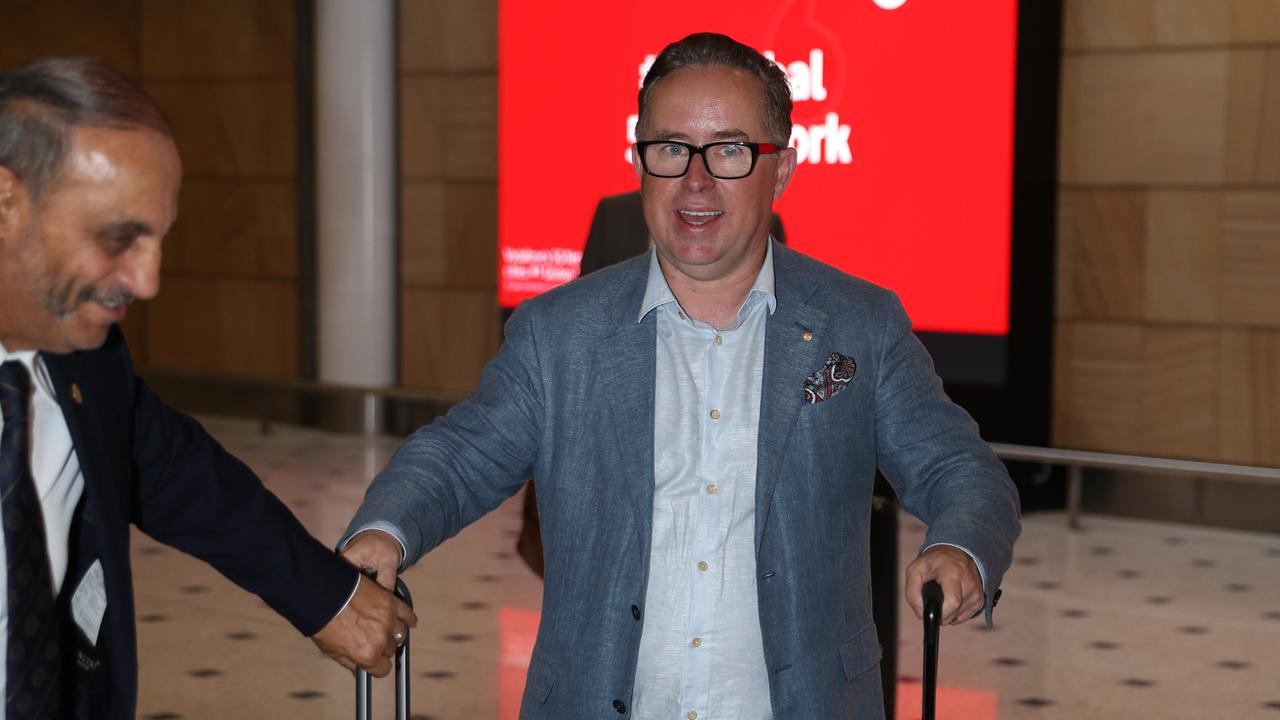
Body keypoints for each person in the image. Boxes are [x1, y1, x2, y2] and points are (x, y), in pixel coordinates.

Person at [343, 32, 1019, 719]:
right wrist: (387, 529)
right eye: (670, 149)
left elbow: (958, 468)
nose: (695, 182)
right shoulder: (560, 333)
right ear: (641, 161)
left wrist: (958, 546)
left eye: (728, 150)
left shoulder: (860, 324)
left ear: (781, 167)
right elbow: (461, 455)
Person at [0, 57, 416, 718]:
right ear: (7, 202)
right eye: (118, 239)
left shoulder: (88, 360)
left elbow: (178, 475)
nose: (146, 283)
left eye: (158, 241)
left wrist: (327, 595)